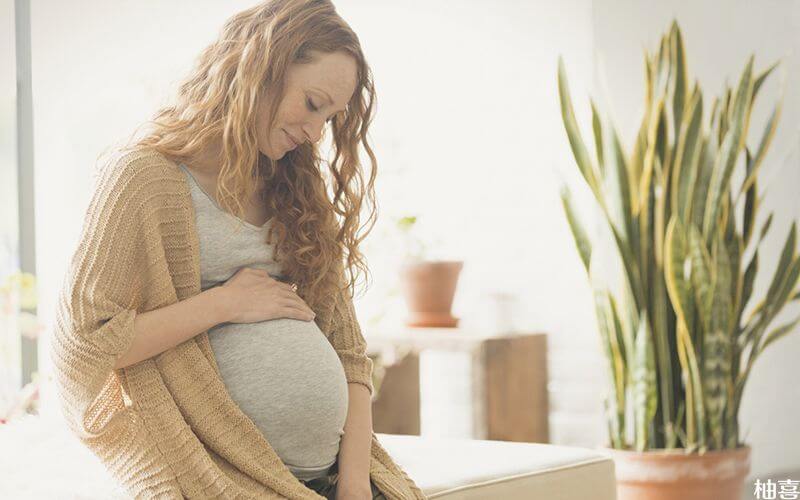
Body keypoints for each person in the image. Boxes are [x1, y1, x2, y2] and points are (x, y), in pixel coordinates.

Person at [50, 1, 426, 498]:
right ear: (261, 68)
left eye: (330, 118)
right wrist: (224, 303)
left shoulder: (298, 188)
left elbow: (350, 352)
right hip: (216, 475)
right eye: (313, 104)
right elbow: (84, 349)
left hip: (332, 479)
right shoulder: (142, 179)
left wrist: (355, 483)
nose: (315, 133)